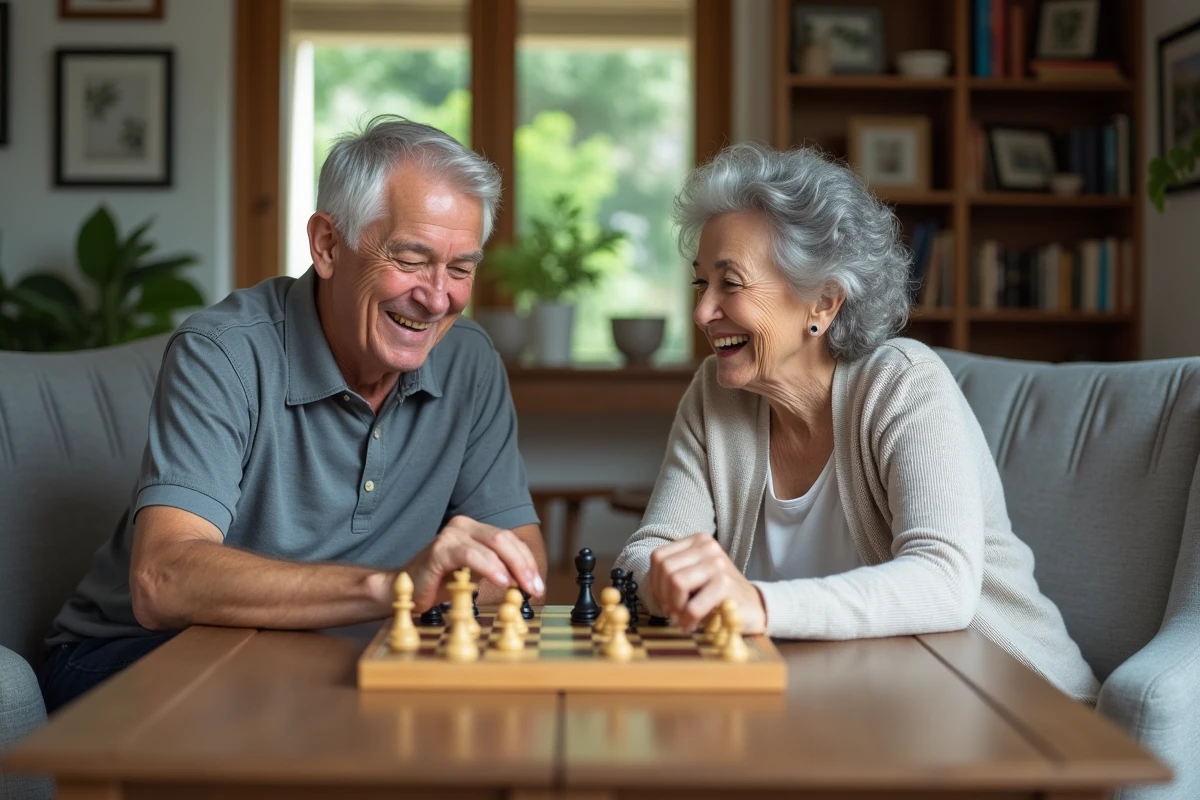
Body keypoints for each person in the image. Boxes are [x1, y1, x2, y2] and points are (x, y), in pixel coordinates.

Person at [39, 116, 547, 712]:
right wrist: (395, 588)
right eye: (411, 260)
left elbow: (522, 559)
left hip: (326, 655)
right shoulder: (223, 352)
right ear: (327, 245)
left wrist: (447, 585)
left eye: (460, 268)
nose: (437, 298)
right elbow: (163, 581)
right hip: (132, 656)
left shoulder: (470, 362)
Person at [614, 142, 1099, 703]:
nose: (702, 312)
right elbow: (647, 548)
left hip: (1015, 709)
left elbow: (944, 582)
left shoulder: (904, 384)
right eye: (702, 284)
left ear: (823, 302)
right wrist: (665, 578)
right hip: (871, 704)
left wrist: (759, 605)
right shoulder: (716, 395)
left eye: (731, 283)